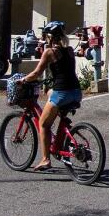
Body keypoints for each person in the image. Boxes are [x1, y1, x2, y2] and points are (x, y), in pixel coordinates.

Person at [21, 21, 81, 172]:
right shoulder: (69, 50)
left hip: (62, 93)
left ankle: (45, 159)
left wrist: (23, 80)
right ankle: (60, 141)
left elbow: (36, 74)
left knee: (43, 124)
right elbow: (64, 72)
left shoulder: (50, 52)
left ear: (49, 37)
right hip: (76, 92)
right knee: (50, 94)